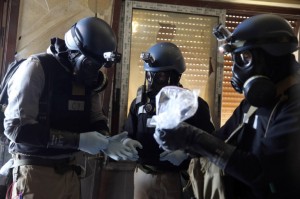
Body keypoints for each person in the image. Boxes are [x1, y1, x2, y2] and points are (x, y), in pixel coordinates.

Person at [154, 14, 300, 199]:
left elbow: (262, 174)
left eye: (245, 58)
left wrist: (193, 139)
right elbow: (221, 139)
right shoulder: (254, 103)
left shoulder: (294, 107)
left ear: (272, 57)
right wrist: (182, 141)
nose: (236, 70)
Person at [3, 17, 137, 199]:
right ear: (74, 52)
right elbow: (16, 128)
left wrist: (108, 142)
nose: (93, 72)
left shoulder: (85, 78)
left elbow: (96, 118)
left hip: (70, 172)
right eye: (90, 64)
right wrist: (77, 141)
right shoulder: (37, 68)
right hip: (36, 173)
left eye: (98, 66)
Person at [122, 42, 215, 199]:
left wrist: (186, 154)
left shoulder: (194, 106)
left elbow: (210, 144)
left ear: (176, 76)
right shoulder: (139, 104)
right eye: (149, 75)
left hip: (176, 178)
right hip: (144, 175)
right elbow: (128, 133)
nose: (152, 81)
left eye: (161, 76)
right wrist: (125, 143)